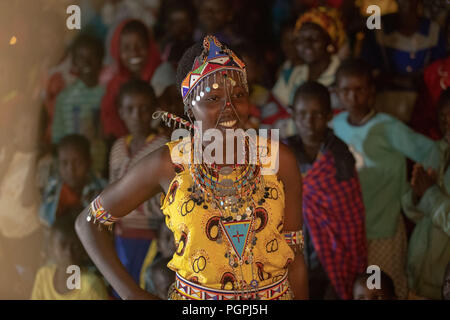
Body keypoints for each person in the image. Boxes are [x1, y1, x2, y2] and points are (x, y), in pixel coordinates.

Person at [76, 35, 308, 300]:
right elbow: (88, 223)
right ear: (190, 106)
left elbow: (295, 256)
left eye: (238, 94)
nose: (229, 107)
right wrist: (132, 294)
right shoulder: (169, 163)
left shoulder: (279, 159)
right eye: (213, 98)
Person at [332, 59, 440, 299]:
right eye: (346, 91)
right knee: (360, 290)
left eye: (359, 89)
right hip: (349, 230)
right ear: (337, 93)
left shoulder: (389, 127)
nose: (353, 97)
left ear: (371, 92)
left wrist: (420, 187)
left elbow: (432, 152)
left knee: (384, 289)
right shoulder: (335, 126)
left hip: (383, 227)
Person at [285, 82, 367, 300]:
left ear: (330, 115)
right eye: (302, 114)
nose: (309, 122)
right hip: (291, 257)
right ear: (292, 114)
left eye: (317, 114)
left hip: (331, 260)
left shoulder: (340, 158)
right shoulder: (282, 155)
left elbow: (351, 219)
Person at [109, 79, 167, 297]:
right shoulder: (117, 148)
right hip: (122, 235)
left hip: (152, 236)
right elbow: (111, 191)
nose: (137, 116)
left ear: (154, 110)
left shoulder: (162, 146)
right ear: (121, 112)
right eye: (130, 109)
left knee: (145, 288)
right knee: (122, 289)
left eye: (144, 109)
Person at [361, 0, 446, 123]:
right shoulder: (378, 27)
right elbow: (367, 70)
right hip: (385, 105)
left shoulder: (433, 30)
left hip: (423, 108)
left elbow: (439, 72)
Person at [401, 89, 450, 300]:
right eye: (443, 117)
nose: (447, 123)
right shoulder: (436, 150)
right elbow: (416, 214)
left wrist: (430, 194)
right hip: (417, 273)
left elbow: (433, 201)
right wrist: (416, 196)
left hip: (443, 284)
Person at [51, 34, 107, 176]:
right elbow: (58, 138)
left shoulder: (107, 95)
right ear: (74, 63)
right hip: (72, 171)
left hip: (101, 167)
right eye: (81, 58)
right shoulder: (65, 98)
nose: (87, 62)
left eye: (92, 57)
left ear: (101, 60)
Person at [272, 6, 346, 109]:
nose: (307, 44)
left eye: (314, 38)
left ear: (329, 41)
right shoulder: (292, 75)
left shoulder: (343, 76)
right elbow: (275, 108)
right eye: (301, 39)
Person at [100, 19, 161, 140]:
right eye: (126, 48)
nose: (134, 52)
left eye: (140, 46)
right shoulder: (114, 85)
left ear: (150, 47)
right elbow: (110, 121)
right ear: (118, 51)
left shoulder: (161, 77)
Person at [31, 213, 108, 300]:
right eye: (63, 245)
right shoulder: (43, 276)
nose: (69, 253)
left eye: (75, 246)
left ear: (83, 251)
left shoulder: (91, 285)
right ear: (51, 248)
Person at [40, 134, 106, 227]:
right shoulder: (53, 188)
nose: (71, 170)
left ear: (89, 162)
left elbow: (105, 223)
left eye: (78, 162)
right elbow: (45, 220)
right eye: (64, 163)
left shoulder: (101, 190)